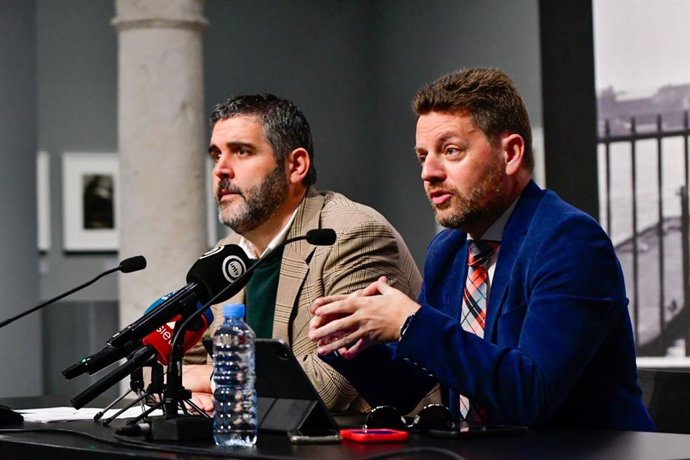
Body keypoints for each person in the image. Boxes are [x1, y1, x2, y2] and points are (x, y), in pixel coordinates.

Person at [308, 68, 656, 430]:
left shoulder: (571, 242)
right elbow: (407, 389)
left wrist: (410, 323)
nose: (429, 172)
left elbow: (532, 395)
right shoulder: (448, 251)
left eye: (451, 151)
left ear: (511, 153)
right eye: (422, 156)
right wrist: (350, 341)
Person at [182, 93, 422, 413]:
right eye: (216, 155)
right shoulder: (227, 256)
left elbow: (330, 385)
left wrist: (215, 379)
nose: (221, 170)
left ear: (296, 165)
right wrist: (188, 391)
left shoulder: (352, 234)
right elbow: (164, 364)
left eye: (241, 152)